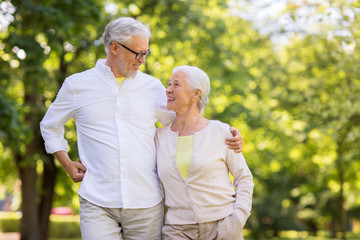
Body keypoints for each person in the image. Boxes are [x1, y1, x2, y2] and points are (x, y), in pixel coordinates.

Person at [40, 17, 243, 240]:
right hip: (97, 201)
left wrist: (224, 133)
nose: (142, 60)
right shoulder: (77, 85)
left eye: (146, 53)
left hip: (146, 203)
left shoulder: (153, 87)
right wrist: (67, 163)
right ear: (115, 47)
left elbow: (184, 125)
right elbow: (50, 126)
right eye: (138, 53)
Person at [156, 65, 254, 240]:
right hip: (177, 230)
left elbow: (244, 178)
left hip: (222, 227)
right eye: (169, 83)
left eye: (176, 84)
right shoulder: (159, 137)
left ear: (195, 94)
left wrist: (237, 220)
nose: (168, 89)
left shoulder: (220, 131)